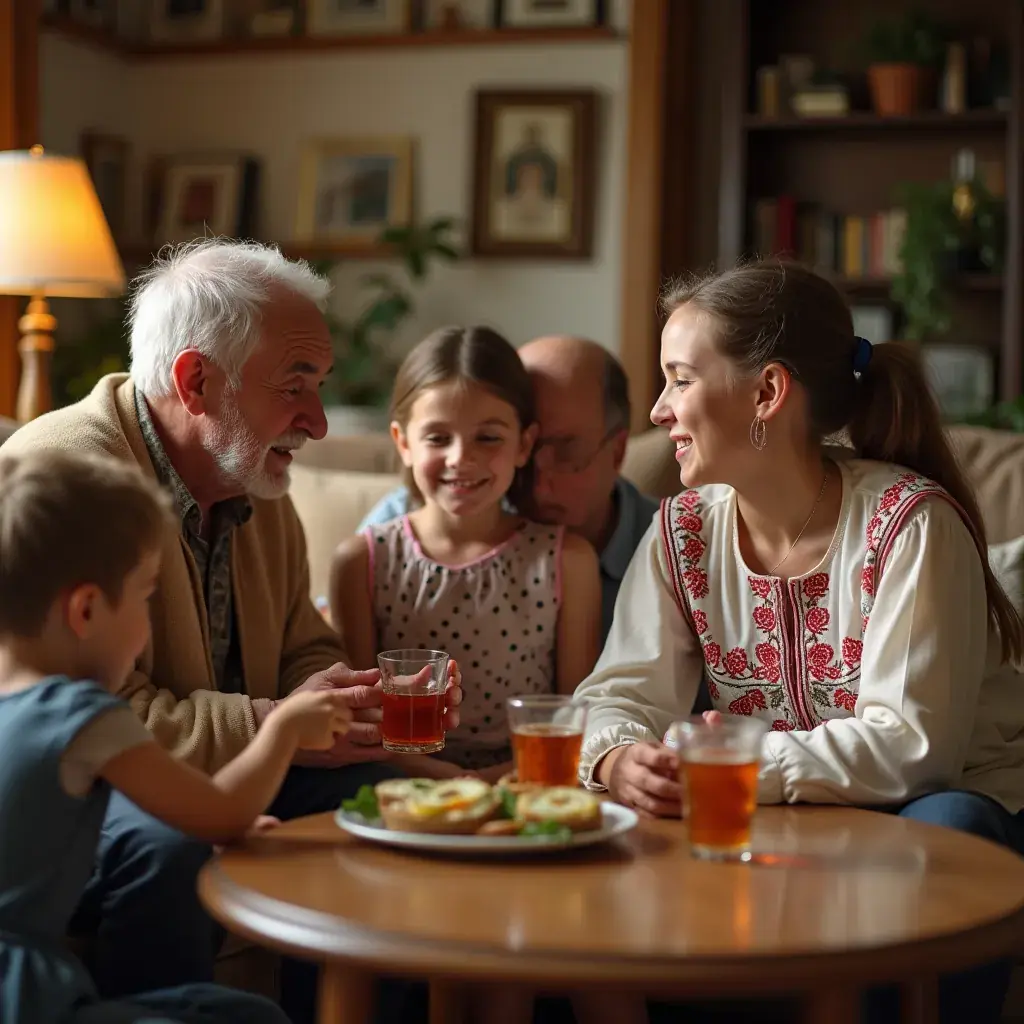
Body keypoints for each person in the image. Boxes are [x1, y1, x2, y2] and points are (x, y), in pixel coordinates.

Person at [0, 239, 462, 1020]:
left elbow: (300, 645)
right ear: (197, 381)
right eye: (295, 386)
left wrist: (345, 701)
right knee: (166, 845)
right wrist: (274, 724)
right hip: (83, 786)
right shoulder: (69, 484)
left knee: (394, 798)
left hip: (226, 761)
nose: (315, 420)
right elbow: (87, 708)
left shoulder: (257, 479)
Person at [574, 259, 1024, 1024]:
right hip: (776, 820)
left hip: (930, 816)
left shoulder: (910, 524)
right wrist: (621, 760)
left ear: (767, 393)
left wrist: (736, 768)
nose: (658, 410)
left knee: (953, 828)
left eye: (680, 379)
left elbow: (911, 749)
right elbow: (616, 694)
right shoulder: (682, 531)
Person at [0, 448, 354, 1024]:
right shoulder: (83, 715)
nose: (146, 629)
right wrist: (286, 727)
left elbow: (187, 818)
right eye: (144, 596)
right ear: (86, 611)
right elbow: (223, 813)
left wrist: (215, 820)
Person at [331, 326, 601, 781]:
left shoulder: (567, 559)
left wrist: (496, 782)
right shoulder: (360, 561)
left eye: (488, 438)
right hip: (399, 782)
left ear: (524, 444)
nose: (461, 457)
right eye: (438, 438)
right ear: (403, 443)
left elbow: (572, 713)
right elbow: (362, 718)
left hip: (526, 781)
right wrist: (447, 785)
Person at [359, 335, 660, 645]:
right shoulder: (412, 517)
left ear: (617, 451)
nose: (538, 483)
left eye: (565, 452)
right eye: (526, 451)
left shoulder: (673, 545)